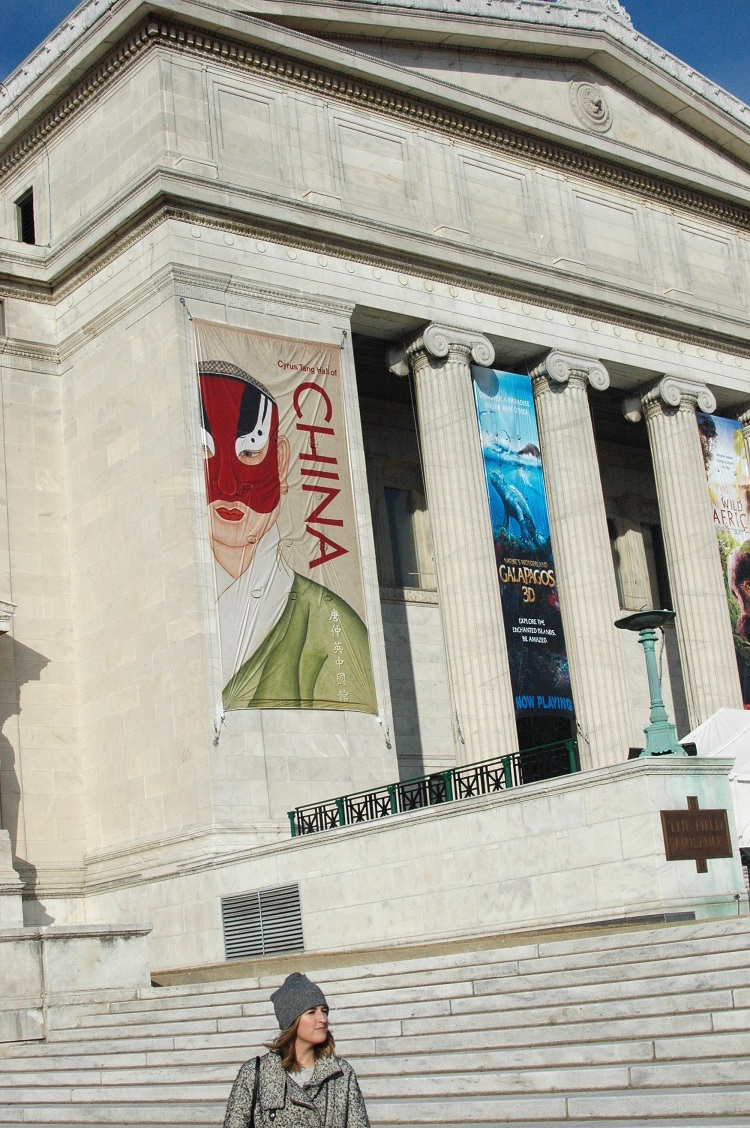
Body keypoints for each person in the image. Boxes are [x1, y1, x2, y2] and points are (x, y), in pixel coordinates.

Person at [199, 360, 376, 713]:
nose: (228, 485)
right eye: (204, 449)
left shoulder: (330, 624)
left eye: (250, 451)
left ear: (280, 461)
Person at [223, 971, 371, 1128]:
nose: (323, 1019)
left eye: (324, 1011)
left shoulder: (341, 1074)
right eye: (311, 1012)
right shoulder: (255, 1073)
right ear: (292, 1021)